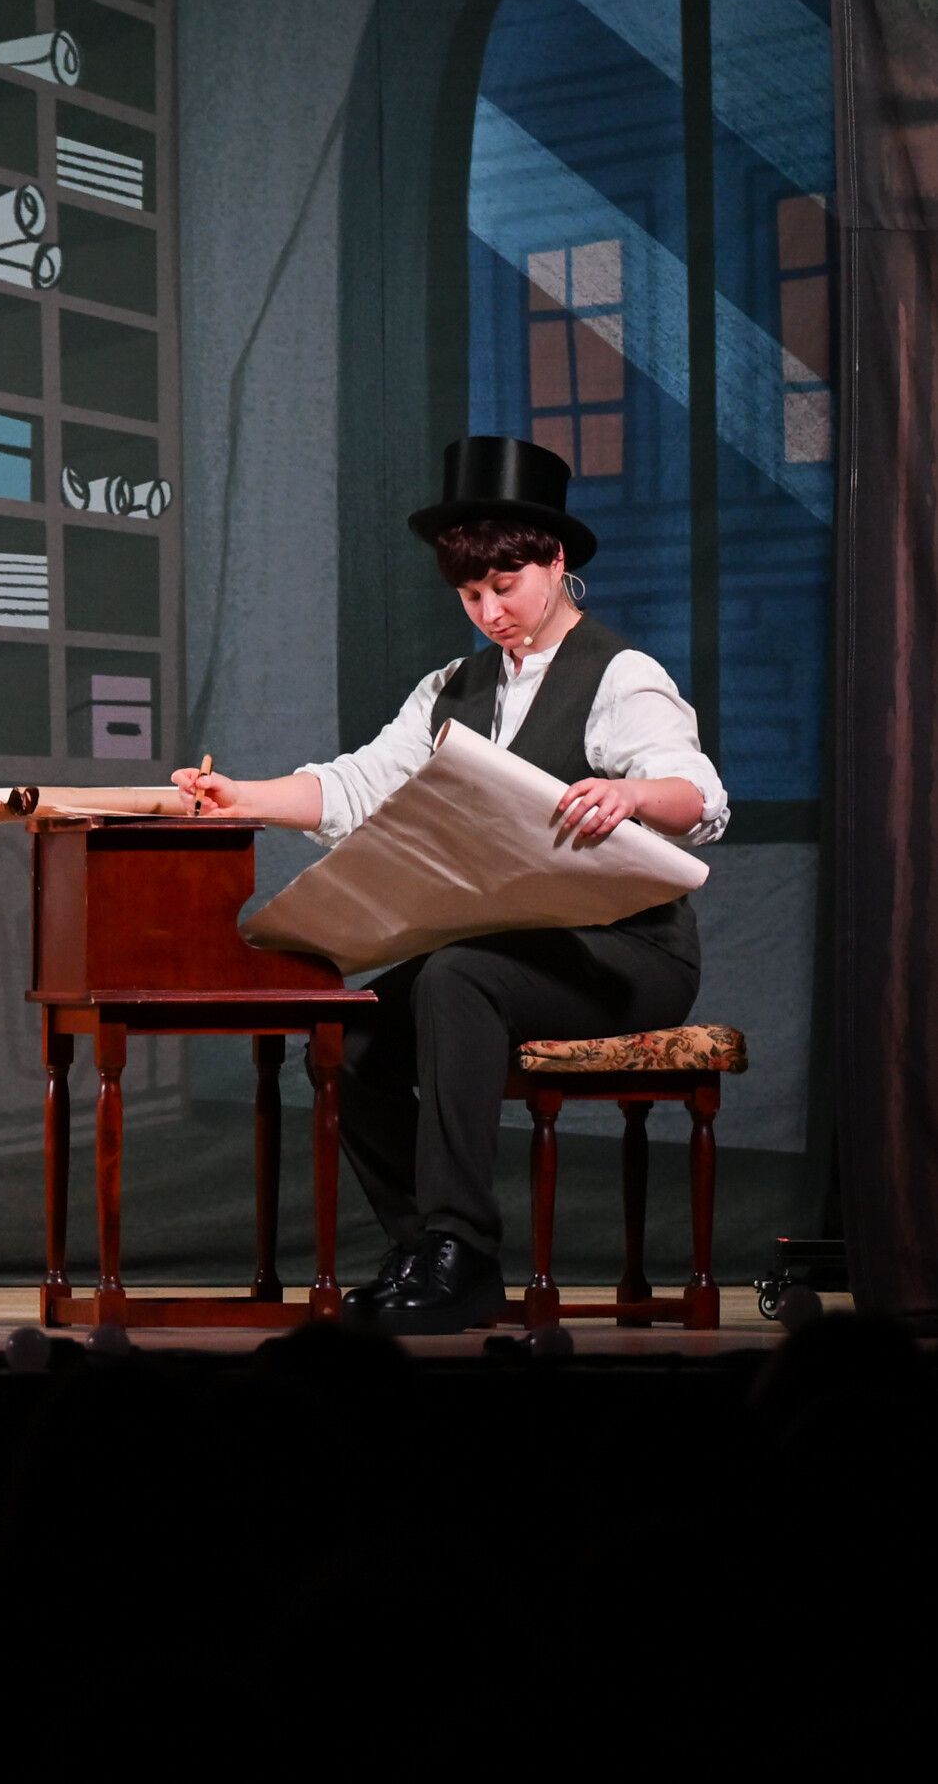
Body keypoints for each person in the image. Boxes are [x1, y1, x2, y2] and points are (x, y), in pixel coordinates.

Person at [173, 436, 727, 1332]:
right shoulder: (450, 688)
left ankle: (458, 1245)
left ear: (555, 562)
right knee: (354, 1038)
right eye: (471, 595)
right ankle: (428, 1249)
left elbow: (698, 796)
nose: (490, 612)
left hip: (629, 957)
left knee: (458, 975)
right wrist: (243, 796)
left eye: (506, 586)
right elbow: (357, 785)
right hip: (513, 956)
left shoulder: (620, 676)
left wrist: (631, 794)